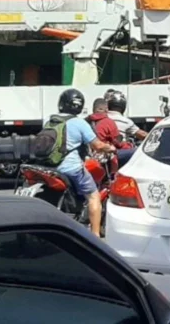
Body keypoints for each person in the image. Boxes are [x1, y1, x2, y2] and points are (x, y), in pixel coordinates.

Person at [55, 89, 115, 238]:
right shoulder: (79, 123)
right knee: (94, 196)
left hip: (51, 166)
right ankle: (94, 236)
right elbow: (97, 145)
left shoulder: (50, 120)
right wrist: (111, 148)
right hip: (71, 168)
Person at [105, 90, 146, 168]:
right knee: (138, 153)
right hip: (117, 153)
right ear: (123, 106)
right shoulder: (126, 121)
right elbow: (143, 135)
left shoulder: (102, 117)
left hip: (102, 153)